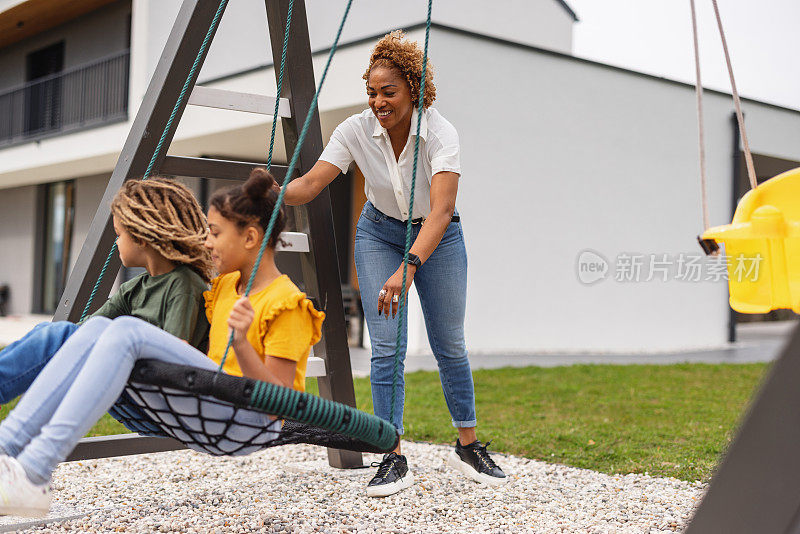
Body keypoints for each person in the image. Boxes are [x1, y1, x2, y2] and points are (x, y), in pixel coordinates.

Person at [0, 169, 324, 517]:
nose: (206, 241)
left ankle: (33, 471)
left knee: (125, 331)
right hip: (209, 401)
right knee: (88, 332)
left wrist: (242, 343)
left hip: (243, 418)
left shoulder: (288, 303)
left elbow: (281, 404)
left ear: (249, 238)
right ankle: (8, 447)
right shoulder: (226, 288)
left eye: (214, 233)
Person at [278, 30, 507, 497]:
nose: (378, 101)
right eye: (371, 92)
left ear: (415, 89)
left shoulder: (441, 132)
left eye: (389, 92)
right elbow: (310, 185)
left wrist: (409, 268)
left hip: (438, 238)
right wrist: (267, 189)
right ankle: (391, 454)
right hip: (378, 232)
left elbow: (441, 211)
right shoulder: (355, 130)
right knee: (385, 348)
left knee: (450, 345)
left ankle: (468, 445)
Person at [0, 178, 214, 405]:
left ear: (141, 237)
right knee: (50, 332)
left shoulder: (184, 285)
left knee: (55, 336)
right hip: (130, 379)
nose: (116, 242)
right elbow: (86, 329)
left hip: (157, 395)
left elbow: (173, 356)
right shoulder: (134, 288)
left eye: (119, 234)